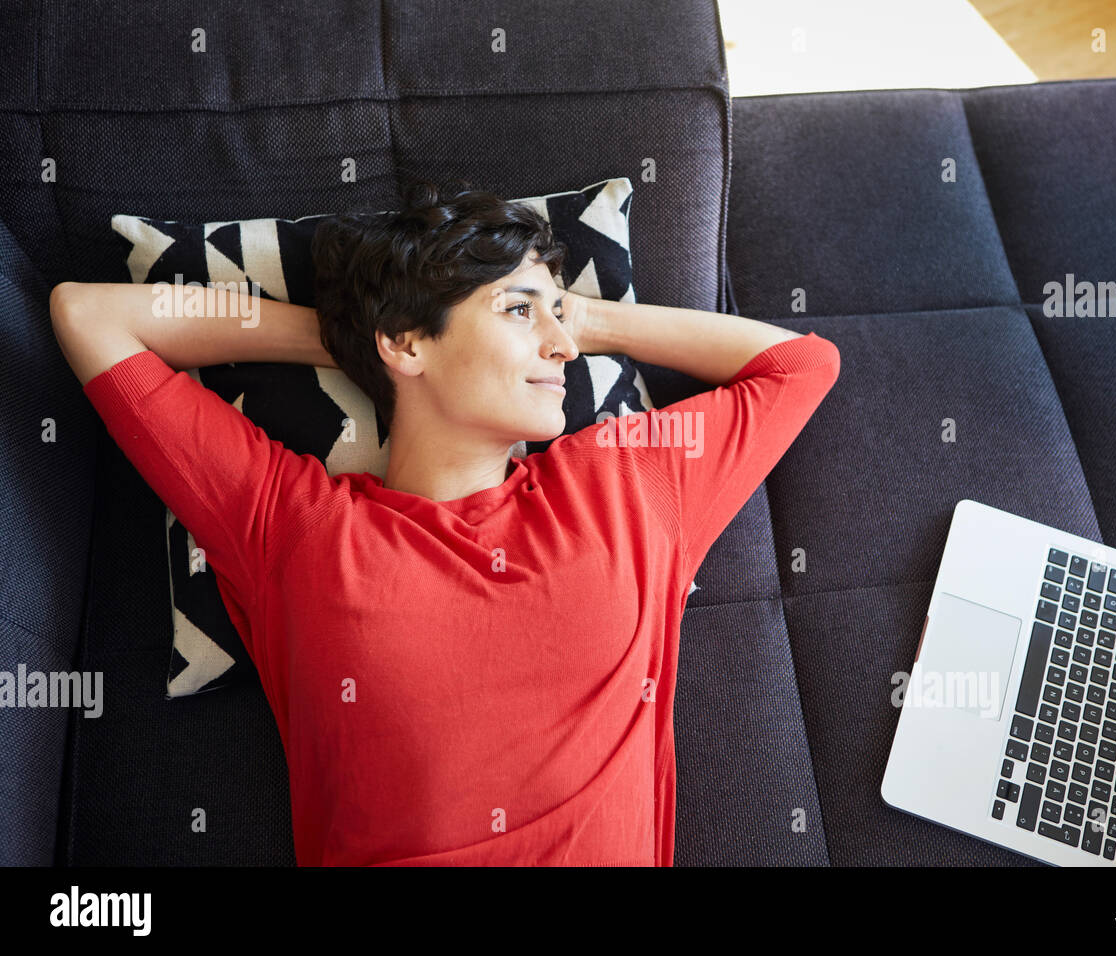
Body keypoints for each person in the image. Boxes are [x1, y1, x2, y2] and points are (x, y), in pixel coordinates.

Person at [48, 180, 840, 866]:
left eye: (556, 318)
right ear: (408, 342)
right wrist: (352, 337)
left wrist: (581, 317)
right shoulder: (288, 525)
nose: (562, 346)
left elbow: (803, 366)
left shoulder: (625, 479)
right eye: (520, 310)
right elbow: (87, 315)